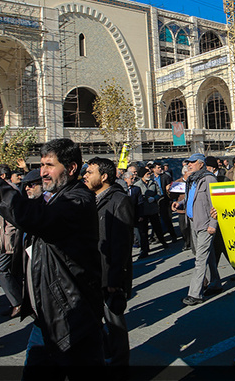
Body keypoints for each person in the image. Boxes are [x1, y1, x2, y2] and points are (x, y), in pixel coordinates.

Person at [0, 138, 105, 372]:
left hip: (72, 316)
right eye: (41, 165)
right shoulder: (52, 198)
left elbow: (32, 217)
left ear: (70, 169)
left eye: (50, 165)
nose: (43, 172)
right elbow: (20, 210)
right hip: (46, 316)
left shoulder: (77, 200)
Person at [84, 157, 134, 366]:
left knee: (115, 324)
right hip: (91, 273)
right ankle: (105, 356)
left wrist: (115, 278)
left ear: (103, 177)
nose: (85, 175)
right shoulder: (88, 199)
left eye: (90, 172)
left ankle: (120, 365)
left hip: (109, 277)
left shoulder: (119, 201)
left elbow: (122, 244)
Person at [173, 153, 221, 306]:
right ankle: (215, 283)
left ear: (201, 164)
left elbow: (215, 205)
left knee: (200, 259)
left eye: (192, 162)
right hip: (194, 223)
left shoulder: (208, 179)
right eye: (188, 162)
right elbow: (190, 199)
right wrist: (179, 204)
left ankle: (195, 294)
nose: (189, 164)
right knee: (209, 256)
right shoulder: (193, 180)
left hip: (205, 224)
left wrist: (213, 225)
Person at [0, 164, 23, 317]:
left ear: (2, 176)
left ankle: (18, 302)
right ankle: (19, 301)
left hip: (9, 238)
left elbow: (13, 219)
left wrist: (8, 239)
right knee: (13, 271)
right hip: (2, 237)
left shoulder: (9, 190)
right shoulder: (1, 189)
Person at [135, 166, 168, 257]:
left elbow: (159, 193)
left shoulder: (153, 183)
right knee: (144, 231)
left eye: (149, 173)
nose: (149, 175)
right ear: (142, 175)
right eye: (147, 174)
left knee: (157, 227)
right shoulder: (137, 185)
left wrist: (154, 198)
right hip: (143, 211)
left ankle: (163, 242)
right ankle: (145, 249)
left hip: (153, 209)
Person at [152, 161, 178, 243]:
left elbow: (171, 188)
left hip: (164, 199)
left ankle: (173, 235)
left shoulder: (165, 177)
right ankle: (158, 237)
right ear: (153, 169)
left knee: (166, 219)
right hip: (154, 200)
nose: (160, 169)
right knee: (156, 220)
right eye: (158, 168)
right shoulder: (151, 178)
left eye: (161, 167)